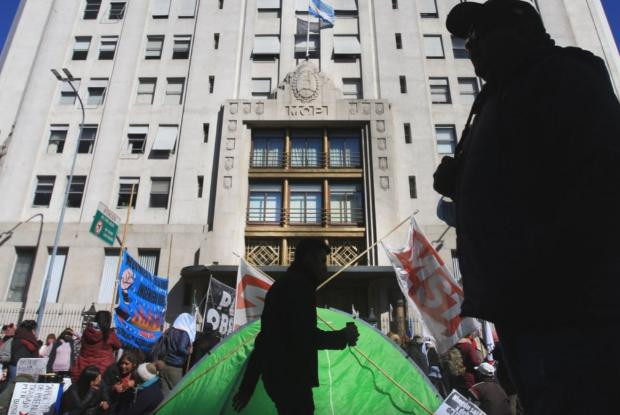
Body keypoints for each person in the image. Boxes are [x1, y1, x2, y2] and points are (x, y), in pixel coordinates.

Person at [433, 1, 620, 413]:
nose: (471, 47)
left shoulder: (562, 73)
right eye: (469, 40)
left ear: (518, 31)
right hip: (521, 304)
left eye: (480, 35)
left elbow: (597, 175)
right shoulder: (496, 96)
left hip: (568, 304)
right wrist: (460, 182)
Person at [232, 238, 359, 414]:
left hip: (280, 377)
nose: (325, 267)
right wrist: (342, 336)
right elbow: (304, 337)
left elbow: (265, 339)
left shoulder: (288, 284)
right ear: (308, 259)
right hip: (291, 377)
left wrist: (248, 386)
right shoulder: (299, 287)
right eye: (322, 261)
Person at [71, 311, 121, 381]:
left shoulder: (87, 332)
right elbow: (118, 345)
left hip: (83, 368)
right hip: (103, 370)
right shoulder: (109, 334)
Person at [154, 313, 195, 397]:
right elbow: (181, 348)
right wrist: (188, 352)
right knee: (177, 393)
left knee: (164, 394)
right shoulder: (184, 333)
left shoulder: (170, 330)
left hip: (164, 364)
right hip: (174, 367)